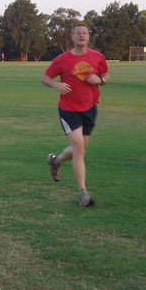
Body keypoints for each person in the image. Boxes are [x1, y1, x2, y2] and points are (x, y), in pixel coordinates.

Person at [42, 24, 109, 207]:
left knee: (80, 150)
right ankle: (83, 192)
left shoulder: (97, 57)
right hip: (68, 108)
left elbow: (105, 76)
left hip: (89, 108)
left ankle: (56, 160)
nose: (81, 35)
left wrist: (100, 80)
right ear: (71, 37)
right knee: (79, 147)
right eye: (77, 33)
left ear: (88, 37)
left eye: (84, 33)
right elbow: (46, 78)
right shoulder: (62, 59)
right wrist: (57, 85)